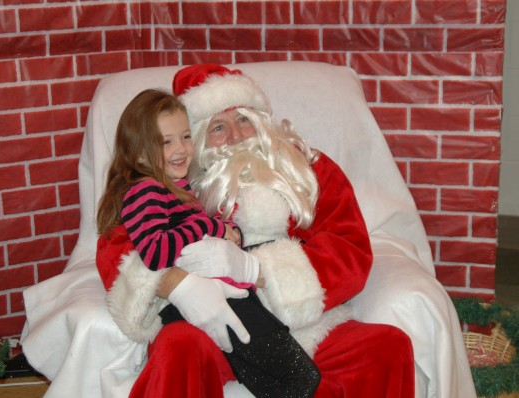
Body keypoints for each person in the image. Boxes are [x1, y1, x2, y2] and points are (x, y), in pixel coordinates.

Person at [96, 64, 415, 397]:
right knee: (178, 346)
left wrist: (257, 271)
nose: (236, 136)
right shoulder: (171, 182)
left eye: (244, 120)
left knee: (386, 347)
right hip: (211, 325)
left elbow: (350, 250)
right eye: (218, 127)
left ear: (263, 122)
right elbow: (117, 247)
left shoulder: (308, 169)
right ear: (196, 140)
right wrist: (179, 286)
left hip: (301, 324)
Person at [96, 88, 320, 397]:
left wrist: (226, 232)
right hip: (203, 302)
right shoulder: (145, 191)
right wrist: (206, 227)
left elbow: (190, 228)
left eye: (185, 137)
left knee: (277, 382)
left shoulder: (176, 185)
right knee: (301, 378)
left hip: (232, 295)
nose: (181, 149)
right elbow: (154, 252)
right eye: (166, 141)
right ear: (139, 153)